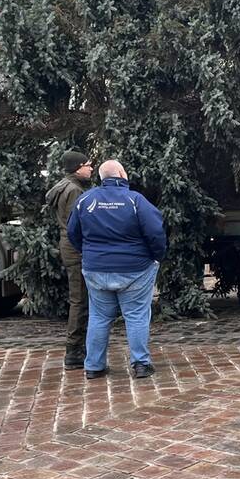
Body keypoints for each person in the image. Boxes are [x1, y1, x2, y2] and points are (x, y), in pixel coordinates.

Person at [67, 160, 165, 380]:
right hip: (135, 269)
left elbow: (72, 233)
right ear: (121, 173)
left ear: (102, 177)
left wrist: (90, 254)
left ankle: (94, 366)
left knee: (99, 317)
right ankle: (141, 364)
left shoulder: (85, 200)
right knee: (137, 316)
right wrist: (155, 257)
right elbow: (155, 232)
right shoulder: (135, 200)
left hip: (95, 269)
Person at [46, 150, 94, 370]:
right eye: (88, 165)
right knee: (80, 300)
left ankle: (77, 348)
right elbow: (78, 224)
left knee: (79, 299)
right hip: (76, 248)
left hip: (68, 245)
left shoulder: (63, 186)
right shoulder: (74, 190)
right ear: (77, 167)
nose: (91, 169)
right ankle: (74, 351)